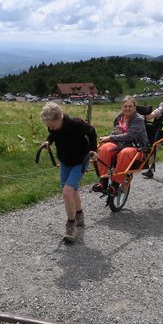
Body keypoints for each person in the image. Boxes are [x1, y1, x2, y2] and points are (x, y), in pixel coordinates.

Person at [40, 102, 97, 243]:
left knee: (67, 192)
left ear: (59, 118)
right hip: (65, 162)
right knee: (72, 191)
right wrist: (48, 142)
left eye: (52, 124)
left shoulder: (76, 123)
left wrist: (94, 151)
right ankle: (79, 215)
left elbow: (92, 132)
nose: (50, 128)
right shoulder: (53, 126)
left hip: (79, 161)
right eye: (49, 125)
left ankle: (71, 226)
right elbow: (53, 134)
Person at [93, 96, 149, 193]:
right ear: (122, 107)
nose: (127, 108)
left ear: (135, 108)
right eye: (125, 106)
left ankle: (115, 185)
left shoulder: (138, 119)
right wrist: (108, 139)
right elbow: (115, 132)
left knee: (125, 153)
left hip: (137, 147)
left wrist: (110, 137)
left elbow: (130, 136)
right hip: (119, 145)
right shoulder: (119, 117)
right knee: (104, 148)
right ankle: (103, 182)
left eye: (130, 106)